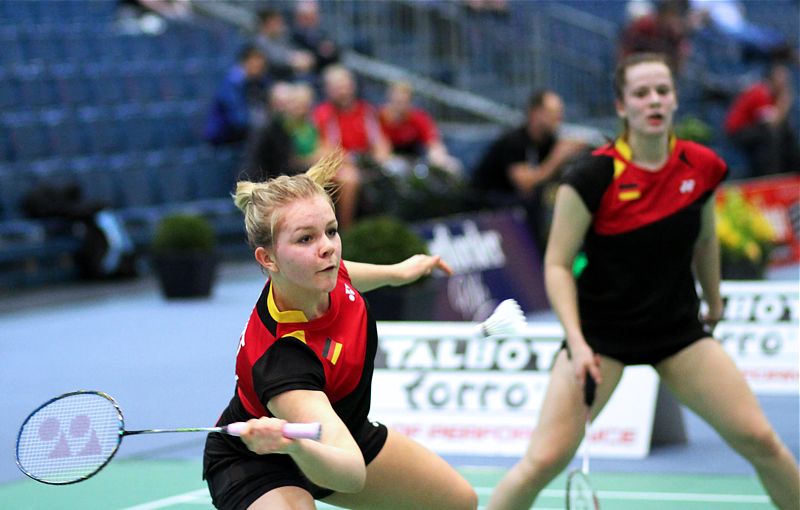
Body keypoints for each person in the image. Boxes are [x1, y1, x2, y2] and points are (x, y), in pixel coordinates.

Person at [486, 53, 800, 510]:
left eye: (662, 90)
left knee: (761, 439)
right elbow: (556, 264)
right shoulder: (592, 176)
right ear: (621, 106)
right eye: (640, 93)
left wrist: (714, 301)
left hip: (677, 332)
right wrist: (575, 342)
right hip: (601, 337)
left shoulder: (701, 165)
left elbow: (706, 238)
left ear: (673, 99)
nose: (653, 100)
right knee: (543, 461)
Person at [202, 149, 477, 510]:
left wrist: (398, 273)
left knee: (458, 502)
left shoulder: (315, 276)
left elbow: (346, 273)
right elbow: (351, 474)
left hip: (337, 425)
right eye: (305, 239)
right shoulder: (284, 359)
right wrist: (292, 444)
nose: (328, 248)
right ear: (267, 259)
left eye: (331, 231)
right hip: (261, 458)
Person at [469, 89, 586, 254]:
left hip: (521, 207)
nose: (559, 118)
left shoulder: (549, 142)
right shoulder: (513, 141)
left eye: (560, 113)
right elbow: (525, 185)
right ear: (535, 113)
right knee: (533, 205)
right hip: (489, 205)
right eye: (553, 113)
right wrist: (558, 157)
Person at [313, 65, 392, 229]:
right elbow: (323, 149)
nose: (343, 91)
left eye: (345, 86)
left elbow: (380, 142)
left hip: (364, 161)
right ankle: (345, 231)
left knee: (393, 171)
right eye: (337, 87)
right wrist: (347, 161)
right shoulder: (322, 114)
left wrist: (381, 159)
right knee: (350, 179)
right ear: (328, 90)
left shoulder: (366, 110)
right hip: (337, 166)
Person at [724, 62, 800, 178]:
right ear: (772, 78)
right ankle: (771, 177)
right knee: (770, 135)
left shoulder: (773, 95)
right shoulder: (761, 91)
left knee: (787, 131)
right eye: (781, 77)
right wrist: (785, 100)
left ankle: (792, 173)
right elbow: (772, 122)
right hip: (738, 131)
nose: (784, 82)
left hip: (754, 129)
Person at [378, 80, 462, 174]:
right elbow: (381, 151)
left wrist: (439, 158)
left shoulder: (418, 118)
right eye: (396, 102)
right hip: (389, 161)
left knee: (452, 165)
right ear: (389, 99)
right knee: (393, 167)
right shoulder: (379, 118)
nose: (399, 107)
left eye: (403, 102)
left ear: (409, 102)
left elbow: (435, 145)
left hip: (413, 160)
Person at [244, 83, 324, 181]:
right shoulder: (267, 128)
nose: (286, 107)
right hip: (263, 185)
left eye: (289, 103)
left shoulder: (284, 126)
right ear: (271, 103)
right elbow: (283, 166)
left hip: (279, 180)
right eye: (280, 103)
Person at [203, 45, 270, 147]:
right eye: (255, 64)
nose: (259, 68)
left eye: (261, 66)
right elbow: (239, 120)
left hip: (246, 138)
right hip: (224, 141)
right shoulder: (231, 84)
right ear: (244, 62)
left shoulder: (260, 83)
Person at [254, 8, 315, 83]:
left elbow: (292, 48)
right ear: (267, 24)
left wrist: (302, 57)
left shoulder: (281, 37)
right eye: (276, 22)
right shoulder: (259, 41)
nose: (280, 25)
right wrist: (293, 60)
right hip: (271, 78)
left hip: (287, 74)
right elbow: (274, 60)